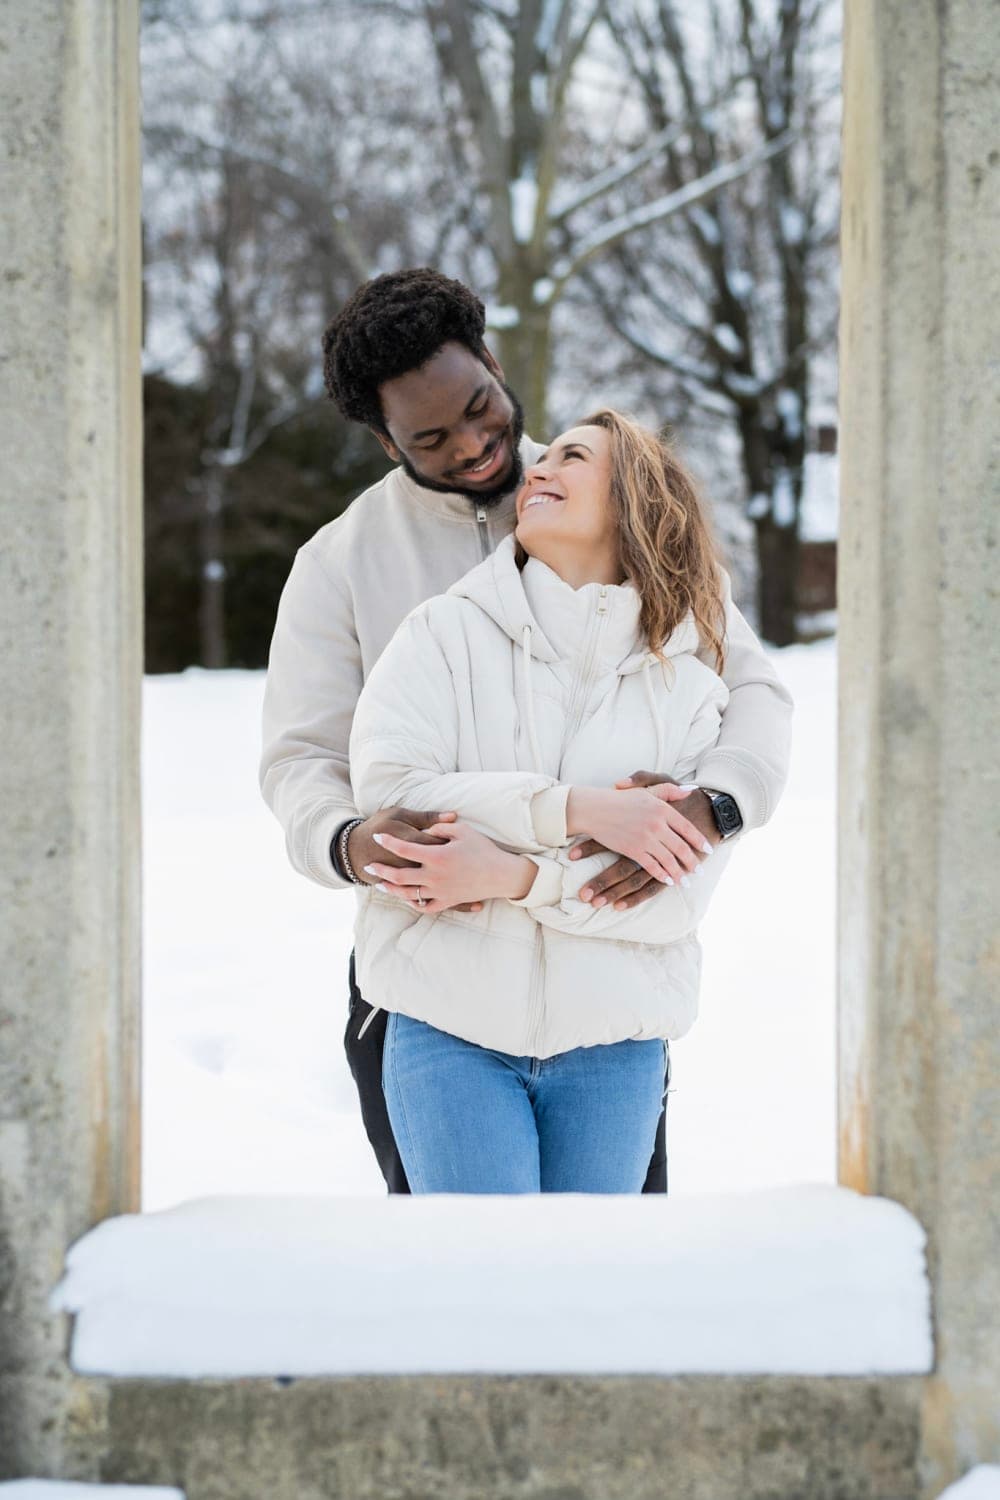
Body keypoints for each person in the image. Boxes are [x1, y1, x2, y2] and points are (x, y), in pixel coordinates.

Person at [259, 268, 793, 1193]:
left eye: (481, 408)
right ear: (387, 442)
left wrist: (713, 807)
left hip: (603, 972)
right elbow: (301, 758)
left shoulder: (610, 498)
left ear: (496, 367)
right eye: (431, 437)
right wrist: (346, 840)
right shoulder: (341, 563)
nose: (474, 447)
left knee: (604, 1273)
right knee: (468, 1275)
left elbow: (748, 688)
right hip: (436, 968)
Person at [347, 409, 763, 1192]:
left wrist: (516, 878)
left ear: (636, 499)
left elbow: (673, 904)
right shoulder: (440, 634)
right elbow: (397, 798)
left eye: (572, 458)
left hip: (615, 1049)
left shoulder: (691, 687)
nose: (538, 470)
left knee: (587, 1298)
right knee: (483, 1290)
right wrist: (576, 812)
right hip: (448, 1032)